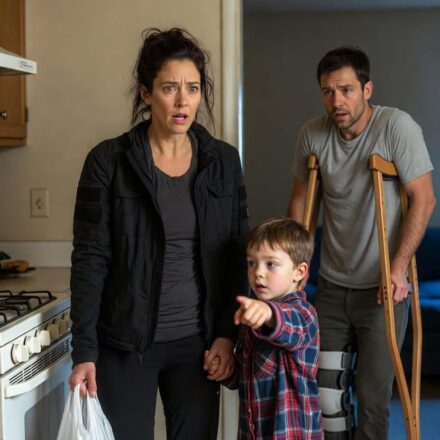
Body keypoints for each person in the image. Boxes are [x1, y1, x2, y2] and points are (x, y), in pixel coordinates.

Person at [68, 27, 249, 440]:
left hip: (199, 345)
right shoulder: (107, 162)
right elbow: (90, 259)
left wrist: (227, 335)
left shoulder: (223, 162)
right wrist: (85, 351)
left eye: (193, 88)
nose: (183, 101)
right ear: (146, 94)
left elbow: (237, 254)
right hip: (124, 345)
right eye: (170, 88)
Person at [288, 46, 436, 439]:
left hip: (382, 290)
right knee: (326, 397)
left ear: (367, 90)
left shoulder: (397, 127)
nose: (337, 101)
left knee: (372, 398)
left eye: (346, 90)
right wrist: (292, 269)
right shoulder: (312, 134)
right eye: (328, 91)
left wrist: (399, 267)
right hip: (332, 288)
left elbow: (424, 199)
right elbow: (302, 203)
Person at [207, 217, 323, 439]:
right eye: (252, 263)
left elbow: (289, 326)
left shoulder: (304, 313)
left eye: (271, 264)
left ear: (299, 272)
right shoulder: (253, 316)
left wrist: (269, 313)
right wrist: (225, 370)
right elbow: (246, 376)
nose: (258, 272)